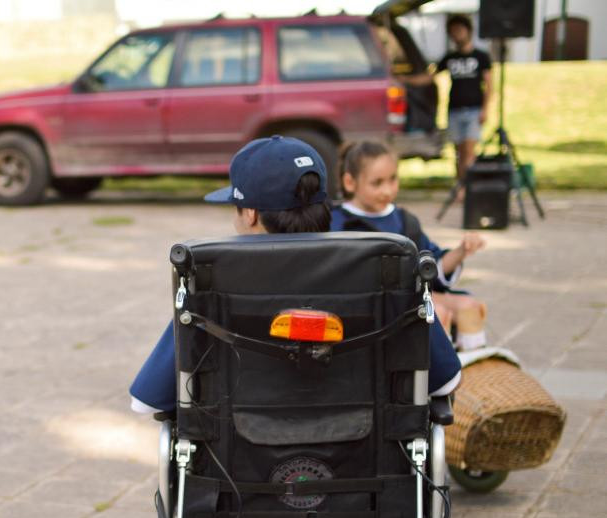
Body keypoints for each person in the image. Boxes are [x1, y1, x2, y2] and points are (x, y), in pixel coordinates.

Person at [129, 135, 462, 414]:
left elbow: (145, 403)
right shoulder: (382, 269)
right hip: (366, 469)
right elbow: (446, 381)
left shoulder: (214, 277)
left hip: (241, 472)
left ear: (250, 212)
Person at [332, 140, 488, 351]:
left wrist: (461, 251)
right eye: (377, 183)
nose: (387, 190)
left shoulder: (405, 221)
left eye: (392, 179)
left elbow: (432, 264)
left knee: (470, 307)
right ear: (350, 183)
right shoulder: (335, 223)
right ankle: (437, 380)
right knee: (436, 312)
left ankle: (474, 371)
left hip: (410, 296)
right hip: (366, 305)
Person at [402, 14, 493, 187]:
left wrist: (485, 109)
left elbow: (489, 86)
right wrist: (405, 80)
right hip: (454, 110)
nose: (456, 34)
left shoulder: (481, 57)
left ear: (468, 31)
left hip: (474, 110)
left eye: (459, 30)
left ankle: (469, 186)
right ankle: (460, 186)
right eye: (453, 32)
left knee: (469, 150)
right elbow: (429, 77)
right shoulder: (450, 58)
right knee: (458, 152)